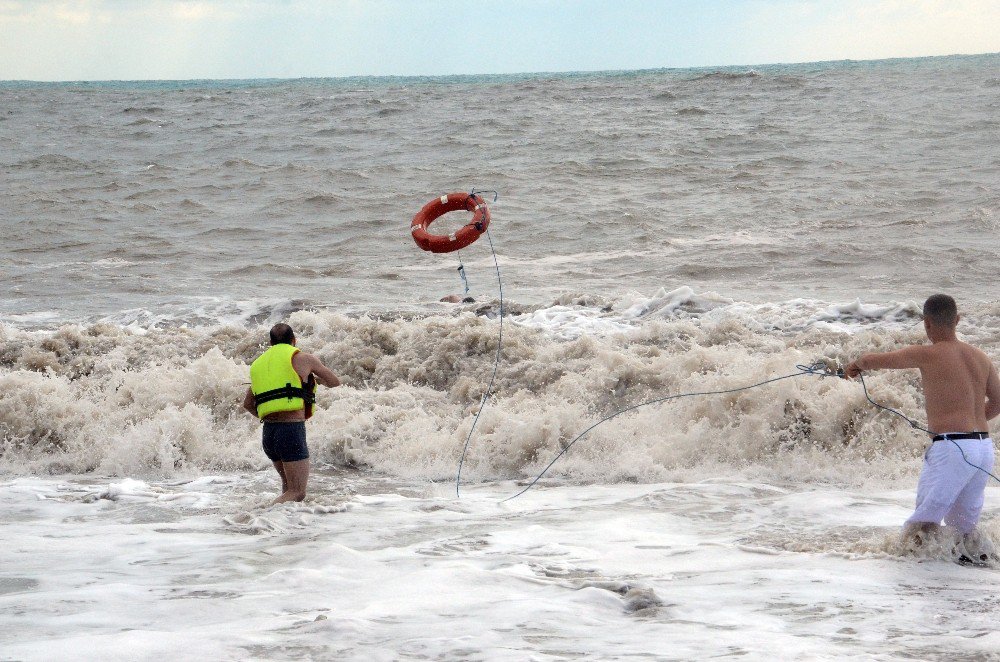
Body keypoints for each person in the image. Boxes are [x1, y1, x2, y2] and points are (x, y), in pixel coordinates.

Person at [844, 294, 999, 553]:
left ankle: (916, 584)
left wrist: (855, 365)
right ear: (957, 320)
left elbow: (875, 360)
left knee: (922, 527)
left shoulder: (927, 354)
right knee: (964, 531)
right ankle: (970, 576)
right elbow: (998, 402)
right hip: (983, 450)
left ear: (926, 323)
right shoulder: (980, 357)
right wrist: (971, 419)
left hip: (952, 449)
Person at [242, 323, 340, 504]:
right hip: (290, 431)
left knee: (288, 488)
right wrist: (315, 380)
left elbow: (248, 404)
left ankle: (284, 529)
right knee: (297, 492)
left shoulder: (258, 365)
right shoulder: (304, 359)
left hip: (269, 434)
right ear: (294, 340)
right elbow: (334, 381)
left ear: (271, 342)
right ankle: (261, 515)